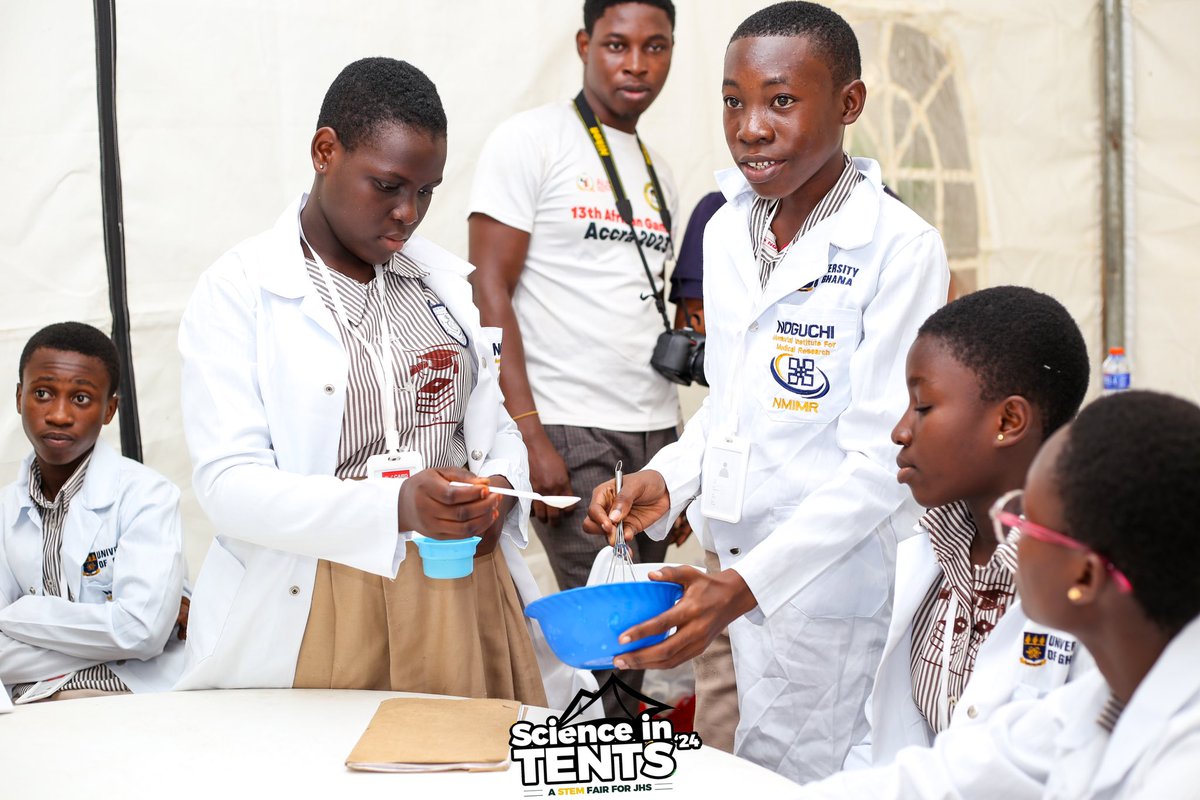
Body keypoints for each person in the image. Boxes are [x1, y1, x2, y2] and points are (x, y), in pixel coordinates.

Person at [585, 1, 949, 782]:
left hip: (829, 585)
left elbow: (884, 457)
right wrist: (670, 481)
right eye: (733, 100)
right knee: (755, 758)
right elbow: (731, 399)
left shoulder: (898, 248)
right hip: (736, 566)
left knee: (809, 772)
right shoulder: (726, 228)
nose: (750, 126)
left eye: (781, 100)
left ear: (848, 104)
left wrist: (743, 587)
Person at [176, 57, 583, 708]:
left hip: (461, 590)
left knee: (472, 769)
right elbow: (227, 487)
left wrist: (498, 489)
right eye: (388, 185)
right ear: (324, 151)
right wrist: (395, 506)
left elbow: (488, 425)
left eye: (426, 191)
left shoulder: (441, 287)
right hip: (328, 596)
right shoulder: (240, 290)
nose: (408, 214)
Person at [794, 390, 1200, 798]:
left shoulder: (1183, 767)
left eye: (1029, 523)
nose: (1013, 540)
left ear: (1085, 578)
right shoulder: (1095, 704)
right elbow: (950, 777)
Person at [467, 0, 680, 592]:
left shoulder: (661, 171)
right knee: (610, 626)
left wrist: (680, 459)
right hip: (567, 420)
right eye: (617, 45)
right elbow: (488, 288)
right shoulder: (530, 140)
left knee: (647, 618)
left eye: (654, 46)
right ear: (585, 46)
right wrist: (531, 435)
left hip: (656, 425)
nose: (636, 64)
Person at [846, 286, 1091, 768]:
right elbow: (888, 745)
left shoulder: (1091, 587)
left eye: (923, 406)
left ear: (1009, 420)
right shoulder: (933, 557)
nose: (900, 431)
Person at [0, 322, 186, 701]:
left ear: (109, 409)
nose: (59, 415)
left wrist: (20, 614)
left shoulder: (148, 497)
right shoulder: (5, 509)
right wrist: (111, 638)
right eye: (43, 393)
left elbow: (141, 631)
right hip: (31, 703)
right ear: (20, 398)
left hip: (128, 697)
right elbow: (138, 635)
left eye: (81, 398)